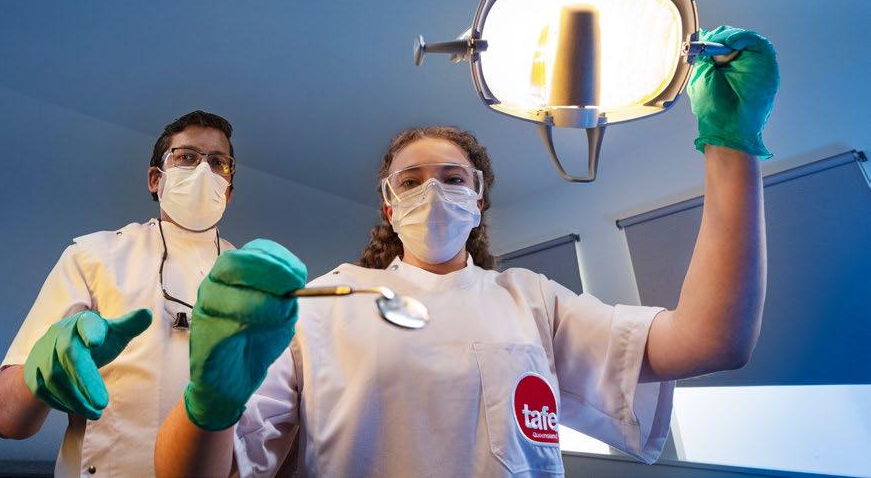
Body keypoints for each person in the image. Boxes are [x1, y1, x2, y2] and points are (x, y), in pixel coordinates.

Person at [152, 26, 776, 477]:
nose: (433, 191)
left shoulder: (531, 300)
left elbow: (711, 341)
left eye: (453, 178)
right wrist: (210, 397)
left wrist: (732, 145)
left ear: (478, 200)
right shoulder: (323, 301)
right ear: (389, 207)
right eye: (410, 181)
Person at [0, 110, 241, 476]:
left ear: (228, 191)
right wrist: (41, 373)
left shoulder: (254, 281)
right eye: (186, 157)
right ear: (155, 179)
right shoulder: (93, 256)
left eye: (217, 163)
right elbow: (2, 420)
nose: (203, 170)